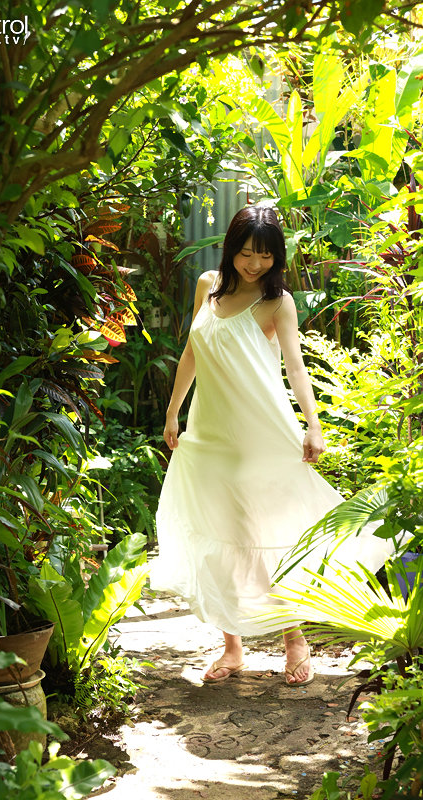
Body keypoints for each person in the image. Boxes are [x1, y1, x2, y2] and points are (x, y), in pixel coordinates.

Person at [150, 205, 387, 686]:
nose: (254, 264)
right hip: (210, 434)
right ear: (231, 249)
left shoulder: (276, 302)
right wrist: (174, 411)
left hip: (259, 433)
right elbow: (192, 351)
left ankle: (294, 638)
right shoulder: (208, 285)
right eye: (246, 253)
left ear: (277, 257)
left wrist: (313, 425)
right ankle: (232, 646)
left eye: (265, 255)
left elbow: (296, 367)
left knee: (269, 531)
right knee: (219, 528)